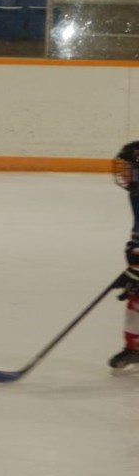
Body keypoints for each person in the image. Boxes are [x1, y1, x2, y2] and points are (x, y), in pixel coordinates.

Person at [108, 141, 139, 374]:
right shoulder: (136, 193)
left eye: (129, 168)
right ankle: (135, 347)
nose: (124, 173)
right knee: (136, 298)